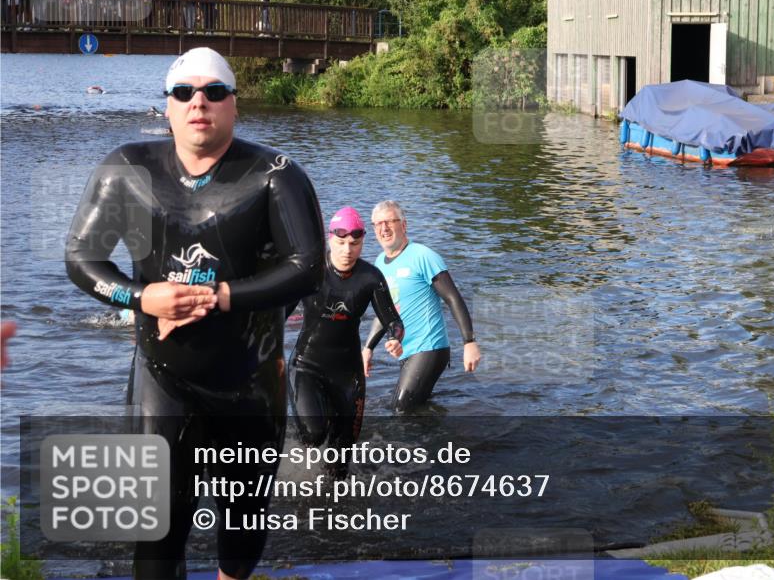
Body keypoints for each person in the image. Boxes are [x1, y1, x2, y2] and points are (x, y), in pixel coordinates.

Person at [65, 47, 325, 580]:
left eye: (214, 92)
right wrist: (141, 297)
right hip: (164, 377)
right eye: (184, 92)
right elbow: (80, 259)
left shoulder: (276, 175)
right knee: (156, 534)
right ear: (167, 106)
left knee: (243, 527)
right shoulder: (127, 168)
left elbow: (309, 268)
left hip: (251, 380)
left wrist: (222, 295)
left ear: (234, 105)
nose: (198, 103)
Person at [288, 206, 404, 478]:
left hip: (348, 375)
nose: (347, 250)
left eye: (354, 243)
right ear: (330, 240)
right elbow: (279, 311)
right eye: (340, 243)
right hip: (307, 365)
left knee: (340, 467)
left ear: (363, 242)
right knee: (314, 435)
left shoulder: (371, 278)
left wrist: (395, 339)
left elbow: (393, 321)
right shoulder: (312, 270)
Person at [364, 201, 481, 411]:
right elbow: (384, 313)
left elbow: (453, 298)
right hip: (406, 350)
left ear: (404, 225)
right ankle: (437, 438)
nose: (384, 228)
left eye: (390, 221)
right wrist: (368, 348)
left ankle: (418, 444)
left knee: (401, 409)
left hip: (430, 347)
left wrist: (469, 342)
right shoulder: (380, 263)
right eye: (378, 224)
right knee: (412, 408)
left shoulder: (422, 256)